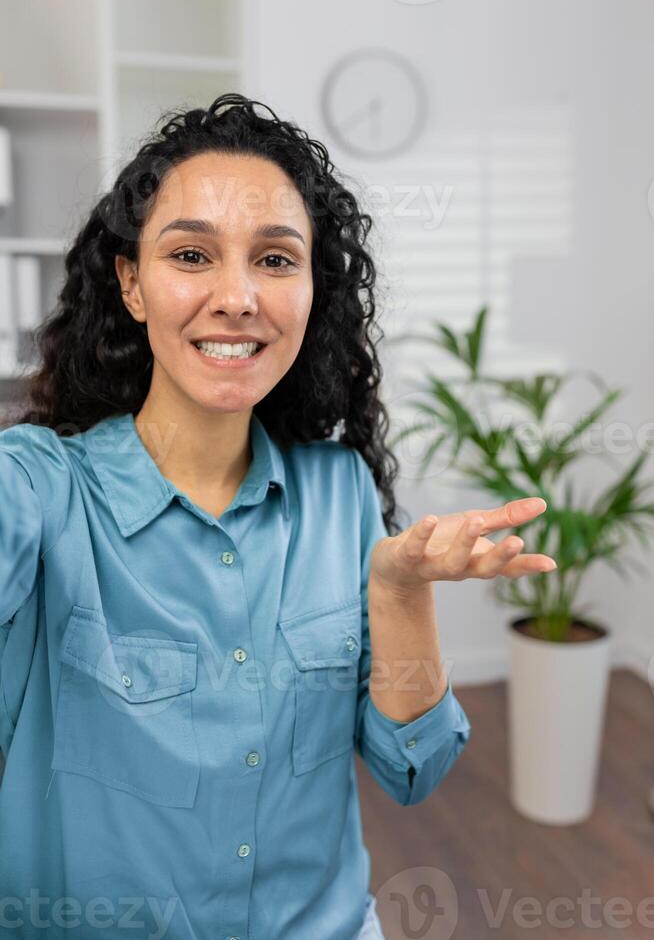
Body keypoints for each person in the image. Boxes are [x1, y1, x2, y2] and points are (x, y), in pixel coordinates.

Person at [0, 93, 556, 940]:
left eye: (274, 260)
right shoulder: (39, 486)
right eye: (191, 254)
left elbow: (414, 767)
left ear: (309, 291)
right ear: (132, 284)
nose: (236, 297)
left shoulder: (339, 493)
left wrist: (400, 592)